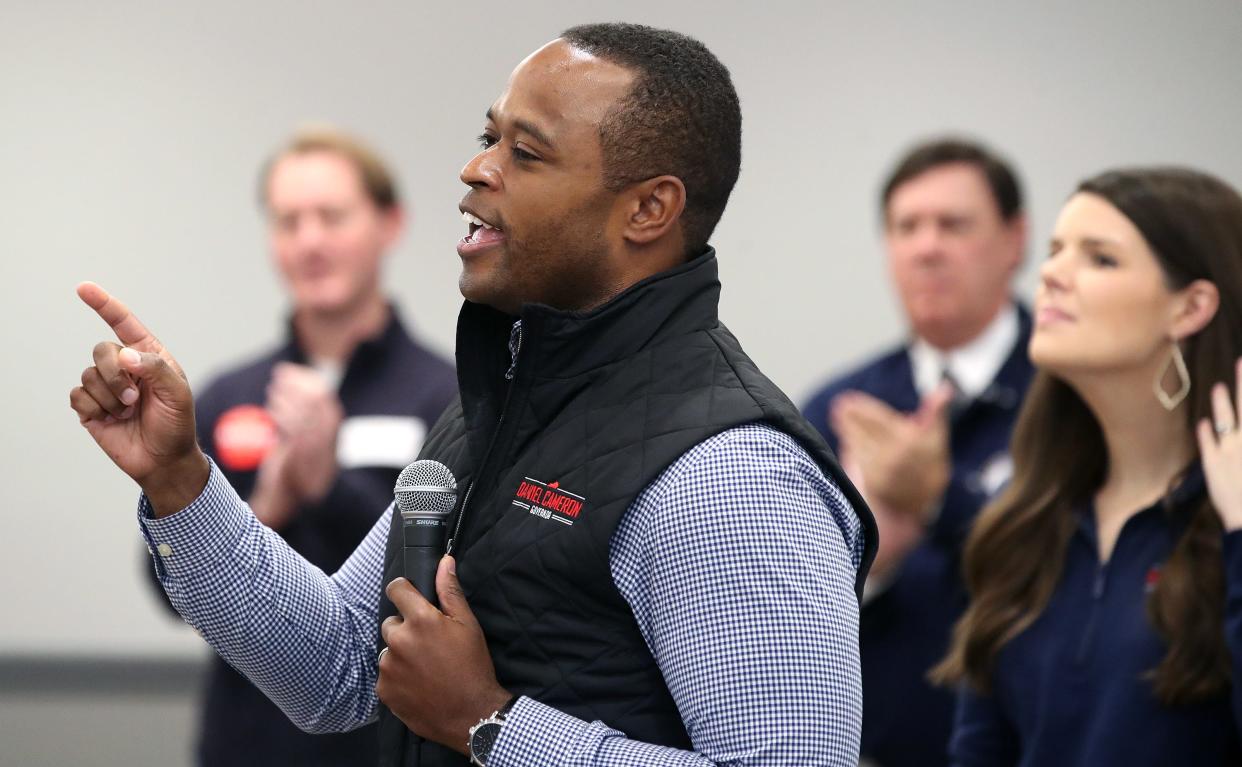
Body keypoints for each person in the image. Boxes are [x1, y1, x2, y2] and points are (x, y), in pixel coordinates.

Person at [69, 22, 877, 767]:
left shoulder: (730, 471)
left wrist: (490, 723)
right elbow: (337, 666)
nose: (475, 168)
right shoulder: (492, 409)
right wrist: (179, 479)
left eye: (526, 152)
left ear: (649, 209)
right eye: (488, 136)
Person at [157, 127, 457, 766]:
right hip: (246, 741)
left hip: (384, 742)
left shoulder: (449, 398)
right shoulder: (226, 394)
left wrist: (329, 488)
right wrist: (267, 502)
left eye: (332, 217)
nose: (310, 241)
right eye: (289, 221)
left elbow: (451, 583)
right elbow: (165, 590)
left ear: (389, 224)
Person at [933, 167, 1242, 766]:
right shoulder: (1024, 520)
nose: (1050, 274)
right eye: (1054, 252)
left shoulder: (1229, 521)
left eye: (1099, 259)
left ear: (1192, 307)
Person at [801, 139, 1033, 767]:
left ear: (1015, 239)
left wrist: (939, 501)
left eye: (953, 225)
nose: (926, 247)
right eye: (907, 227)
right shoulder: (839, 408)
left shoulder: (1070, 392)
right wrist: (873, 566)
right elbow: (788, 616)